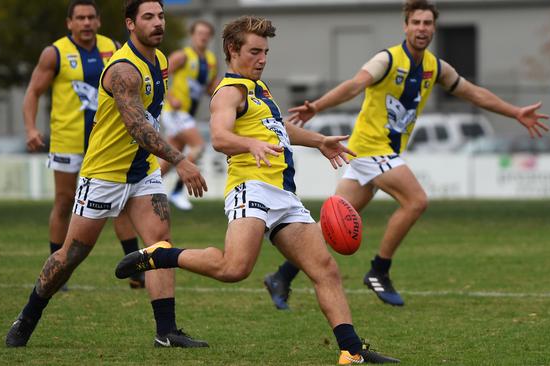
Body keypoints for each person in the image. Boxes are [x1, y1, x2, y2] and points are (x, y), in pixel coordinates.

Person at [115, 15, 400, 364]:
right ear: (233, 50)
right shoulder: (228, 91)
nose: (263, 58)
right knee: (234, 269)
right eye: (255, 51)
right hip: (251, 188)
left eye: (265, 51)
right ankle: (159, 255)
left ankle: (351, 351)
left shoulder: (259, 90)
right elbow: (219, 137)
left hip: (284, 195)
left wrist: (320, 141)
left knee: (325, 269)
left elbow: (280, 129)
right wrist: (249, 145)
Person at [264, 0, 550, 309]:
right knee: (416, 200)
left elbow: (474, 93)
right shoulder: (387, 60)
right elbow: (354, 85)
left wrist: (516, 111)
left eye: (427, 23)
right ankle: (379, 270)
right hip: (371, 148)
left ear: (433, 28)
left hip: (373, 154)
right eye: (416, 22)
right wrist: (317, 106)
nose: (422, 28)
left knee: (333, 226)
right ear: (406, 26)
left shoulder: (436, 67)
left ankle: (281, 276)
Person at [6, 0, 209, 349]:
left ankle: (167, 331)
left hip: (142, 170)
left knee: (160, 243)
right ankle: (28, 316)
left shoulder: (159, 61)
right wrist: (180, 160)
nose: (157, 23)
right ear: (130, 24)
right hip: (105, 172)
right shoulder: (122, 69)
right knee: (71, 255)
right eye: (148, 17)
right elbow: (136, 126)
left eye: (160, 16)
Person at [22, 0, 145, 289]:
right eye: (80, 18)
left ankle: (135, 271)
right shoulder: (55, 53)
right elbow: (33, 91)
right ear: (69, 23)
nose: (86, 23)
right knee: (64, 202)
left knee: (122, 203)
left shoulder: (114, 48)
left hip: (106, 143)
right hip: (68, 140)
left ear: (99, 21)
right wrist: (30, 128)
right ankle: (57, 272)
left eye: (91, 17)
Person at [159, 20, 219, 211]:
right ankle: (177, 191)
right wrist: (171, 96)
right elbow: (159, 74)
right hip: (175, 111)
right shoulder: (182, 56)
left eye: (206, 34)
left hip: (187, 115)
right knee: (198, 146)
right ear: (192, 35)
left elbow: (210, 87)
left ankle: (140, 189)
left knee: (170, 159)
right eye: (199, 32)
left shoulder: (210, 60)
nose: (202, 36)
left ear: (210, 37)